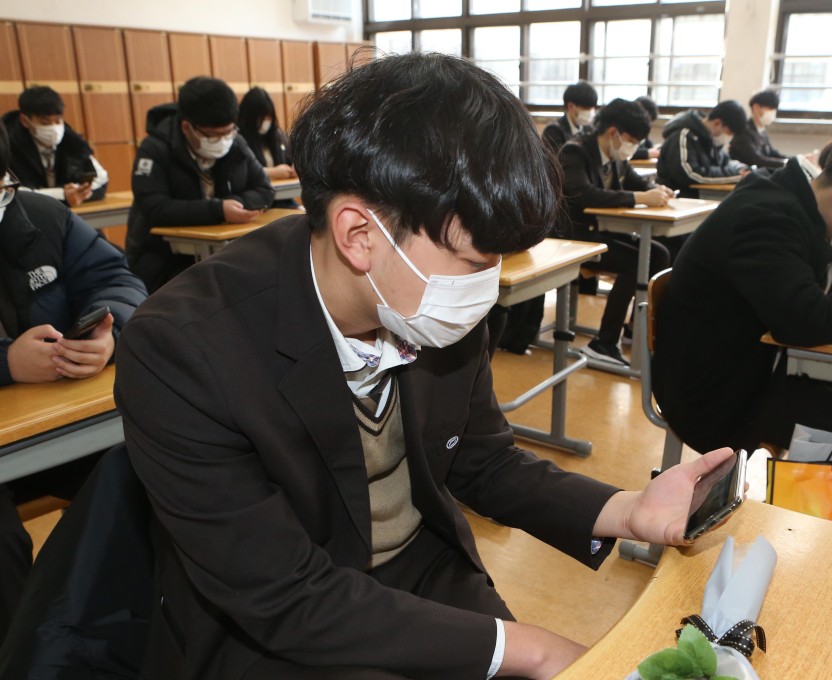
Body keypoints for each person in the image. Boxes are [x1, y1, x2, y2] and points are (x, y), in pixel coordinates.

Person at [114, 52, 736, 680]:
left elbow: (485, 460)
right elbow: (284, 596)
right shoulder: (183, 351)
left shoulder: (421, 297)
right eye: (474, 263)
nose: (487, 288)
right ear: (359, 235)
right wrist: (534, 650)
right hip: (277, 622)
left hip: (421, 567)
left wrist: (629, 510)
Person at [653, 133, 832, 456]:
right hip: (717, 391)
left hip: (758, 367)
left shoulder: (798, 203)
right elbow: (803, 317)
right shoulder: (766, 218)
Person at [0, 124, 146, 641]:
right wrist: (7, 364)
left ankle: (124, 642)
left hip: (60, 420)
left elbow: (118, 280)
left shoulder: (41, 217)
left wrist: (109, 331)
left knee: (145, 479)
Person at [126, 76, 275, 292]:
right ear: (187, 127)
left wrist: (234, 203)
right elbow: (155, 208)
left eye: (228, 132)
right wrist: (218, 210)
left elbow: (264, 189)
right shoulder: (155, 149)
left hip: (223, 251)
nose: (223, 141)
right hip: (164, 258)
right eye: (214, 135)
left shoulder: (236, 143)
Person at [559, 98, 674, 367]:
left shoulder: (615, 157)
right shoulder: (575, 151)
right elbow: (583, 194)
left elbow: (635, 183)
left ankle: (635, 328)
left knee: (658, 254)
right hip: (573, 237)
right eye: (632, 140)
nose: (633, 147)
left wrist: (659, 190)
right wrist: (639, 198)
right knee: (636, 262)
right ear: (613, 132)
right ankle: (604, 342)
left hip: (600, 231)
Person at [1, 86, 108, 207]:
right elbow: (9, 190)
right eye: (45, 122)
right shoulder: (8, 147)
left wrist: (78, 191)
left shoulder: (73, 142)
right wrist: (61, 194)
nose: (53, 128)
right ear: (25, 121)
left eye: (57, 121)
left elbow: (101, 178)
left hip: (70, 213)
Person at [658, 100, 749, 198]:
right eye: (728, 133)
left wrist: (741, 169)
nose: (728, 138)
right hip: (679, 197)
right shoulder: (683, 136)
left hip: (700, 197)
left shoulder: (710, 138)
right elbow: (690, 174)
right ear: (717, 123)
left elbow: (725, 162)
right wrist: (737, 175)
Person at [238, 87, 297, 182]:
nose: (265, 122)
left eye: (268, 117)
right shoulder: (239, 140)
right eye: (261, 118)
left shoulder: (278, 136)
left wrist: (295, 167)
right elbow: (239, 173)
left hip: (281, 190)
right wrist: (272, 172)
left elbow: (291, 158)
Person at [729, 90, 788, 170]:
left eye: (774, 109)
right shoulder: (744, 131)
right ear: (756, 107)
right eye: (770, 108)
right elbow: (758, 160)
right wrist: (785, 163)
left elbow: (771, 152)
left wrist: (793, 160)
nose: (773, 112)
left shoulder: (761, 130)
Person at [540, 81, 598, 154]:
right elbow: (557, 161)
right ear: (570, 106)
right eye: (586, 108)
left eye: (592, 108)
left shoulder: (589, 129)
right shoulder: (553, 131)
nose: (590, 112)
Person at [631, 96, 660, 160]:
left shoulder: (642, 129)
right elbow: (625, 152)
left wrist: (655, 149)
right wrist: (647, 153)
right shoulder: (627, 128)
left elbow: (647, 144)